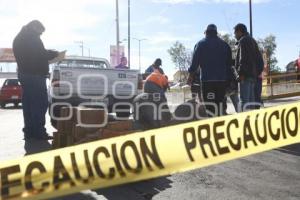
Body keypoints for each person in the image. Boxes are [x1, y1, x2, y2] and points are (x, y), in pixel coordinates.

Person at [13, 20, 58, 140]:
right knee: (40, 103)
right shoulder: (31, 37)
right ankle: (38, 132)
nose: (40, 35)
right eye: (40, 32)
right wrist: (54, 54)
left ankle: (29, 132)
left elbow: (34, 54)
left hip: (25, 75)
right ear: (34, 27)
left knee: (29, 105)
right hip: (34, 76)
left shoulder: (19, 37)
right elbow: (40, 54)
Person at [188, 24, 232, 117]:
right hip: (222, 81)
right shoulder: (225, 45)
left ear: (206, 33)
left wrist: (190, 76)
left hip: (207, 81)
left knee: (210, 108)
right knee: (221, 106)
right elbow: (229, 65)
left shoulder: (200, 44)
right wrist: (229, 81)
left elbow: (195, 62)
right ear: (216, 33)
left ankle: (213, 127)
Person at [234, 23, 264, 111]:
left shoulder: (243, 41)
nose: (235, 35)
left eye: (235, 33)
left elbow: (243, 59)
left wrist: (241, 73)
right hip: (252, 77)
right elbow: (260, 61)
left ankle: (244, 122)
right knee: (251, 102)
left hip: (245, 77)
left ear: (239, 31)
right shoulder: (252, 41)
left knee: (244, 101)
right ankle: (251, 121)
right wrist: (256, 73)